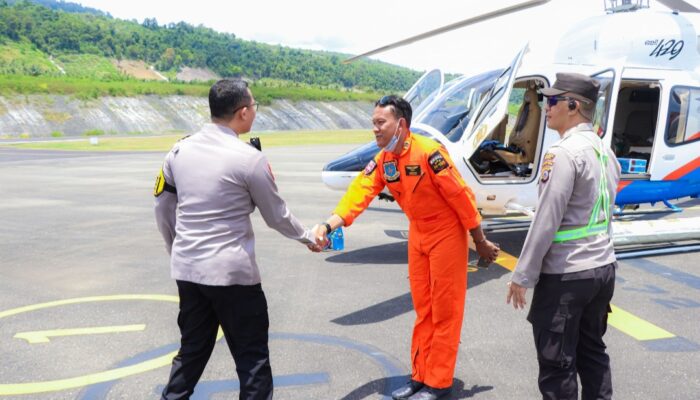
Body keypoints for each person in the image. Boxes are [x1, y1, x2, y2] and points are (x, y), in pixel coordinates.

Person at [316, 95, 500, 400]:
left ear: (400, 124)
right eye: (372, 123)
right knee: (423, 310)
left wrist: (479, 241)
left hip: (446, 235)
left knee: (444, 311)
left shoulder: (429, 153)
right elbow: (359, 192)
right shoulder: (385, 159)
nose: (374, 130)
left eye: (380, 123)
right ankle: (420, 376)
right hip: (419, 234)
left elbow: (462, 198)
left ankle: (439, 383)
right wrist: (327, 226)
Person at [154, 78, 324, 400]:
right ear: (243, 112)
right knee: (252, 361)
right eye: (254, 106)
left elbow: (163, 206)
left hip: (188, 271)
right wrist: (307, 236)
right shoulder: (249, 158)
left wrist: (177, 249)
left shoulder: (178, 151)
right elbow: (276, 215)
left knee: (191, 352)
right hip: (233, 275)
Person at [506, 72, 621, 400]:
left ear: (573, 106)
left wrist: (522, 276)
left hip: (567, 275)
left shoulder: (564, 153)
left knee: (557, 363)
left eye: (552, 100)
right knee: (593, 353)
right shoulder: (603, 150)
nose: (545, 107)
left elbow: (546, 219)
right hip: (602, 268)